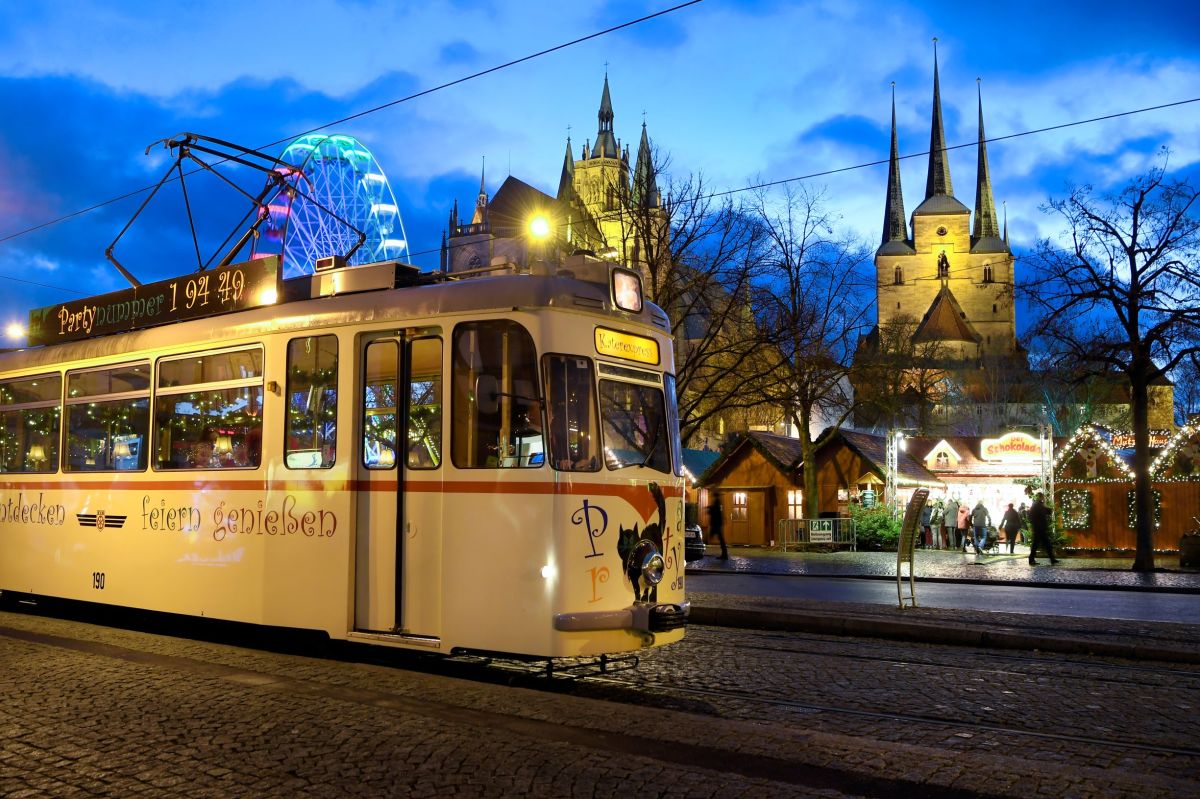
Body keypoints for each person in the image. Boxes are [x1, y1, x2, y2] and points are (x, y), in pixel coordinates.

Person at [1028, 492, 1058, 565]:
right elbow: (1048, 511)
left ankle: (1052, 559)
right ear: (1041, 497)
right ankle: (1032, 559)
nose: (1043, 498)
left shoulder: (1036, 505)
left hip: (1038, 528)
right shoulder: (1039, 506)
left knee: (1043, 544)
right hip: (1040, 528)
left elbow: (1031, 516)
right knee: (1040, 544)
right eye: (1043, 497)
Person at [707, 493, 729, 560]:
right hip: (717, 523)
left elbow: (715, 511)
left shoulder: (717, 501)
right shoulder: (717, 501)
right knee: (721, 539)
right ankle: (724, 554)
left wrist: (710, 509)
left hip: (716, 523)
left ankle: (725, 555)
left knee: (721, 539)